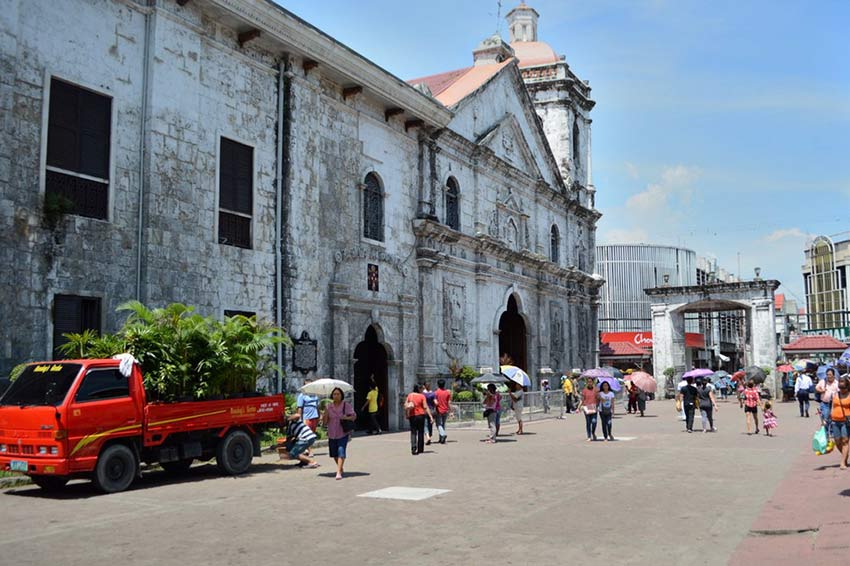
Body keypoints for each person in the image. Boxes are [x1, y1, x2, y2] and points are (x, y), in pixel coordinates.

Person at [322, 387, 356, 480]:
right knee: (334, 453)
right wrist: (325, 414)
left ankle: (338, 472)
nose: (336, 396)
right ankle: (340, 467)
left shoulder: (346, 405)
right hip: (332, 432)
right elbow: (325, 422)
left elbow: (353, 416)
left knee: (341, 451)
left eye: (338, 394)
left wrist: (345, 417)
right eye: (334, 394)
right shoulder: (329, 406)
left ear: (341, 395)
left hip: (343, 432)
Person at [405, 384, 434, 455]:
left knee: (413, 432)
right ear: (419, 389)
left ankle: (413, 447)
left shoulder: (410, 395)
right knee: (420, 432)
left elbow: (406, 405)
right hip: (421, 415)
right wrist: (430, 416)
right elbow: (425, 407)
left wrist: (407, 414)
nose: (422, 390)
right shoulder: (422, 396)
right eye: (421, 389)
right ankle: (420, 448)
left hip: (412, 415)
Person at [829, 376, 850, 469]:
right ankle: (845, 455)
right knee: (837, 441)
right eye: (840, 387)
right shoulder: (835, 394)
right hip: (834, 421)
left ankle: (842, 462)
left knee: (845, 440)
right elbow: (832, 406)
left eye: (843, 388)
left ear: (848, 387)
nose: (841, 390)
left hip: (845, 421)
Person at [296, 381, 320, 457]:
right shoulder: (302, 396)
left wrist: (319, 416)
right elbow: (300, 408)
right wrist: (299, 418)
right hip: (306, 418)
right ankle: (310, 451)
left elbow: (317, 406)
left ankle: (305, 449)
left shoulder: (315, 396)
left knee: (312, 435)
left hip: (314, 417)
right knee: (307, 435)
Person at [816, 368, 839, 436]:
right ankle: (825, 433)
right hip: (825, 403)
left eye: (830, 374)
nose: (828, 376)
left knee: (832, 418)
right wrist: (821, 391)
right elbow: (817, 388)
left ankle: (832, 433)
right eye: (827, 374)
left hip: (834, 404)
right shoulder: (823, 381)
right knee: (825, 418)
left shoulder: (836, 383)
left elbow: (840, 391)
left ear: (833, 375)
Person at [434, 379, 453, 444]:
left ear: (438, 384)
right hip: (445, 410)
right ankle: (441, 438)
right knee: (443, 424)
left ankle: (443, 434)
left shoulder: (436, 392)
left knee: (438, 424)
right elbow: (449, 402)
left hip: (438, 410)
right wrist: (451, 410)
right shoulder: (447, 392)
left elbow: (435, 402)